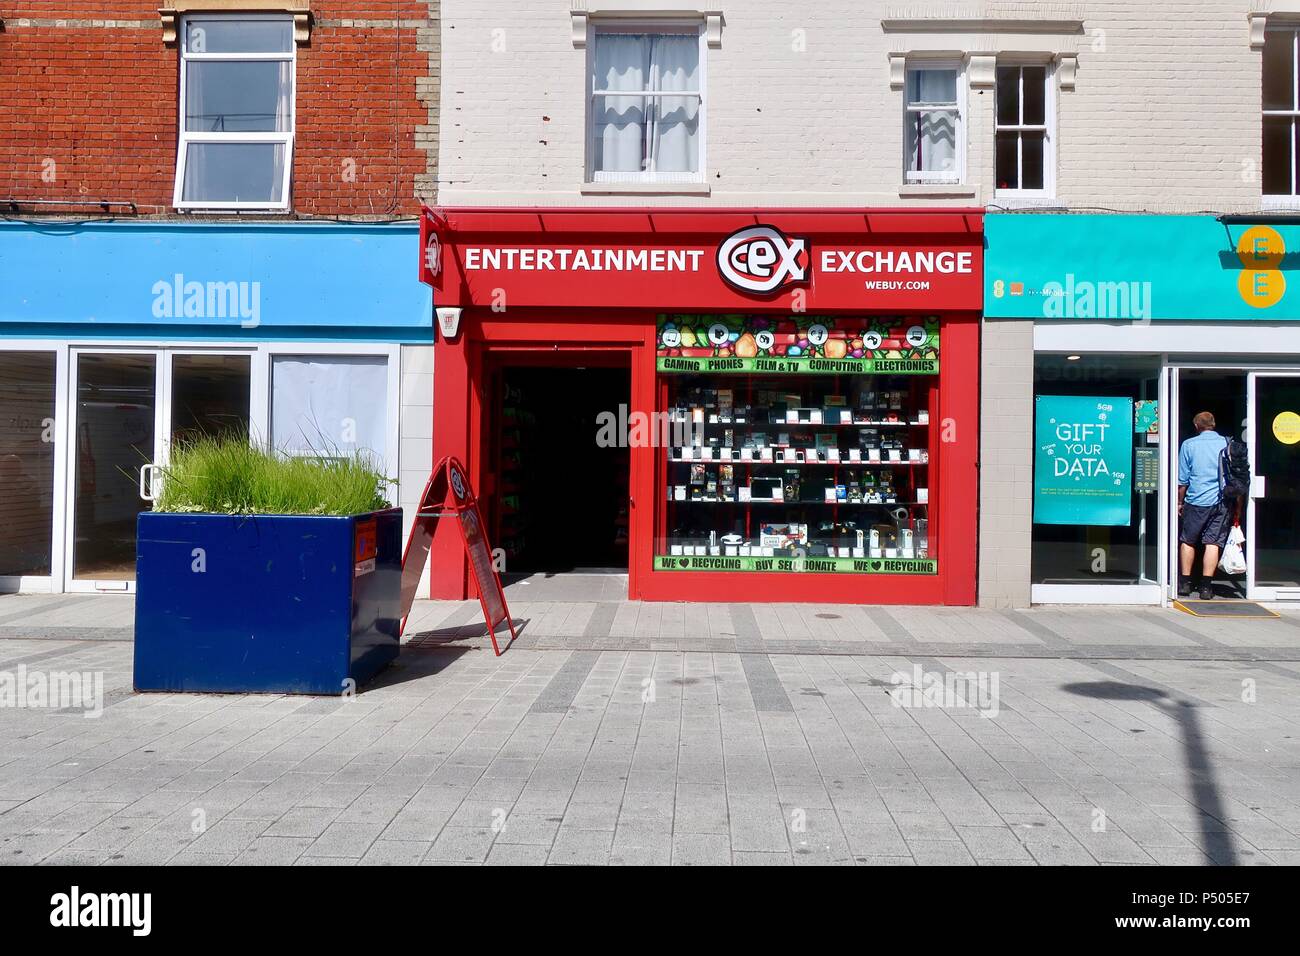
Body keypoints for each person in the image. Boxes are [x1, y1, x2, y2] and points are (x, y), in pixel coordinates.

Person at [1177, 411, 1230, 600]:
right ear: (1213, 424)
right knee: (1213, 543)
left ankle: (1185, 583)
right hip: (1220, 501)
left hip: (1196, 499)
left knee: (1188, 540)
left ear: (1197, 426)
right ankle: (1206, 588)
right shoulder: (1226, 443)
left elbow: (1182, 479)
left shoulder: (1189, 444)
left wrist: (1179, 502)